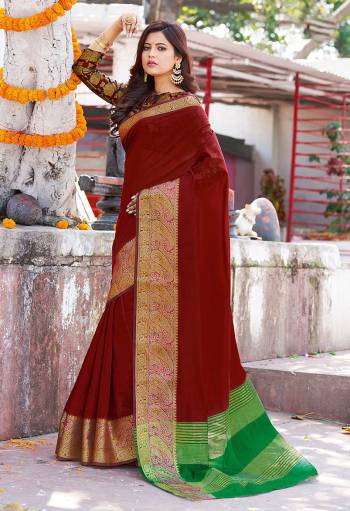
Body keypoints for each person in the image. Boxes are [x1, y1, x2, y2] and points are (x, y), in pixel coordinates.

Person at [55, 14, 318, 500]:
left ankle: (161, 441)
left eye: (161, 48)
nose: (151, 54)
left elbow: (213, 175)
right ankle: (119, 438)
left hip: (162, 230)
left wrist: (154, 199)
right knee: (123, 319)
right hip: (134, 233)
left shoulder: (189, 110)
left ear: (178, 58)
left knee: (149, 326)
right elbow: (83, 68)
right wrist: (115, 29)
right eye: (147, 48)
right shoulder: (136, 100)